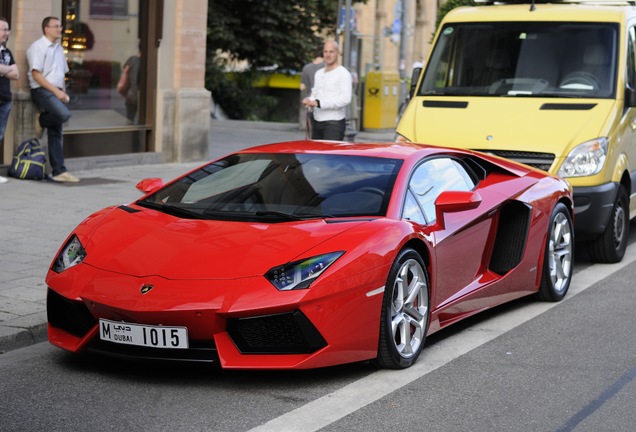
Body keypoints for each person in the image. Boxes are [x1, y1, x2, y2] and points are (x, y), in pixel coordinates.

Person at [27, 16, 79, 183]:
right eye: (56, 26)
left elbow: (61, 75)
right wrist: (57, 93)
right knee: (63, 115)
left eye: (60, 26)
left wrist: (62, 92)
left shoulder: (58, 49)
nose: (60, 29)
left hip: (55, 92)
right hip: (41, 90)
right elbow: (36, 74)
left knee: (56, 130)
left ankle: (58, 170)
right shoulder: (38, 47)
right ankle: (42, 120)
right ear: (46, 29)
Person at [302, 40, 352, 141]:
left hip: (334, 123)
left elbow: (346, 99)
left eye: (331, 52)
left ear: (338, 53)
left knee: (330, 156)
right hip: (316, 121)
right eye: (325, 51)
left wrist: (319, 103)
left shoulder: (343, 73)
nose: (328, 55)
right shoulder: (318, 73)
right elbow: (315, 93)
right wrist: (309, 101)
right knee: (316, 156)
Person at [0, 17, 18, 184]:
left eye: (7, 29)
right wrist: (7, 70)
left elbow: (16, 74)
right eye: (3, 29)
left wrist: (2, 69)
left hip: (5, 99)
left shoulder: (6, 52)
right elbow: (10, 72)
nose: (7, 33)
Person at [298, 46, 324, 132]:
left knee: (308, 128)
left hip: (308, 100)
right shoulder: (325, 67)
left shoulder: (306, 67)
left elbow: (302, 86)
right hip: (320, 101)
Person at [118, 48, 141, 123]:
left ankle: (131, 132)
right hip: (141, 96)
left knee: (130, 119)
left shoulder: (132, 59)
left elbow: (125, 71)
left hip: (131, 94)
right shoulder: (149, 61)